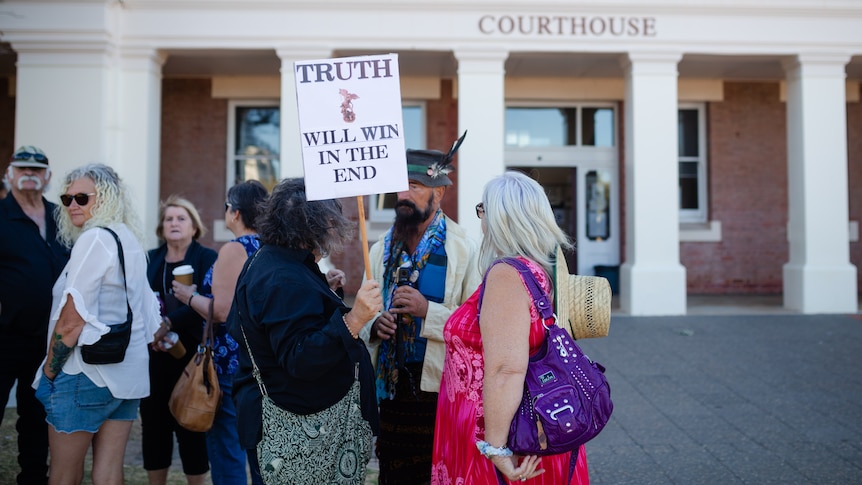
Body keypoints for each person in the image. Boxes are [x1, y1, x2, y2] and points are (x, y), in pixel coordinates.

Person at [431, 171, 590, 484]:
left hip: (497, 429)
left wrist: (497, 448)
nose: (480, 218)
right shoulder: (536, 271)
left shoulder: (506, 275)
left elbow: (506, 369)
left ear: (501, 218)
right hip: (513, 423)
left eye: (483, 208)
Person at [228, 178, 382, 482]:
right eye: (329, 221)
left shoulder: (274, 260)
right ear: (315, 226)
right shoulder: (283, 277)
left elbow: (280, 318)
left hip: (298, 425)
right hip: (296, 432)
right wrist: (355, 319)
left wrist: (321, 291)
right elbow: (301, 357)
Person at [361, 133, 481, 485]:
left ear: (439, 192)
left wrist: (428, 309)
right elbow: (364, 313)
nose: (404, 195)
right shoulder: (381, 248)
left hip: (440, 390)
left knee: (438, 476)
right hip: (391, 390)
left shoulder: (465, 248)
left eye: (413, 186)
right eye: (400, 187)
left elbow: (477, 324)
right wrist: (374, 325)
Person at [31, 163, 161, 484]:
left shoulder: (95, 239)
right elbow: (149, 312)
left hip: (84, 373)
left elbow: (72, 320)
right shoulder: (127, 238)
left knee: (63, 474)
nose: (73, 205)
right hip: (126, 376)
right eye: (67, 198)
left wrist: (48, 372)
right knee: (108, 472)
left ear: (105, 198)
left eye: (81, 197)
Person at [172, 181, 268, 485]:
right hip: (264, 363)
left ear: (235, 213)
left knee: (228, 452)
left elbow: (224, 312)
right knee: (261, 454)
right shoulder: (271, 247)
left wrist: (188, 296)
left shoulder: (234, 249)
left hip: (230, 365)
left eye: (227, 207)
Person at [0, 146, 70, 485]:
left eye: (37, 168)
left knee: (36, 415)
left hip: (49, 340)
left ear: (48, 177)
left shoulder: (61, 217)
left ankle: (32, 478)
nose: (30, 172)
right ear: (10, 174)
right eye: (22, 167)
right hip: (5, 337)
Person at [143, 196, 217, 485]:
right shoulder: (151, 259)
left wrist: (170, 323)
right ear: (161, 227)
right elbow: (140, 301)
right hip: (154, 355)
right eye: (169, 219)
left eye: (181, 218)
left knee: (192, 427)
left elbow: (210, 303)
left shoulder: (206, 257)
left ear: (194, 227)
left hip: (192, 356)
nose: (174, 223)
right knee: (154, 426)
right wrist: (152, 332)